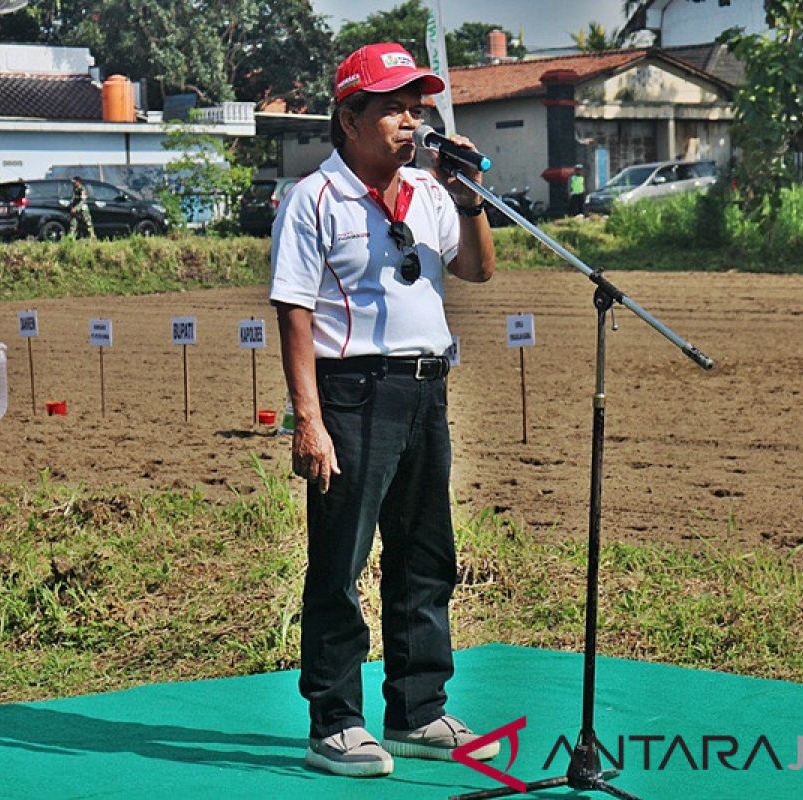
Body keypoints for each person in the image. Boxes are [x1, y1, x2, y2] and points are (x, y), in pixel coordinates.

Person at [269, 42, 499, 779]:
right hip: (353, 392)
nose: (411, 120)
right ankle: (333, 722)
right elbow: (294, 313)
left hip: (426, 387)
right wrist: (308, 419)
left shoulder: (431, 194)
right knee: (340, 560)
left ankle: (417, 710)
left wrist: (466, 195)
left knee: (426, 556)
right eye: (395, 106)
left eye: (417, 106)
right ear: (350, 116)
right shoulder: (314, 199)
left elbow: (478, 269)